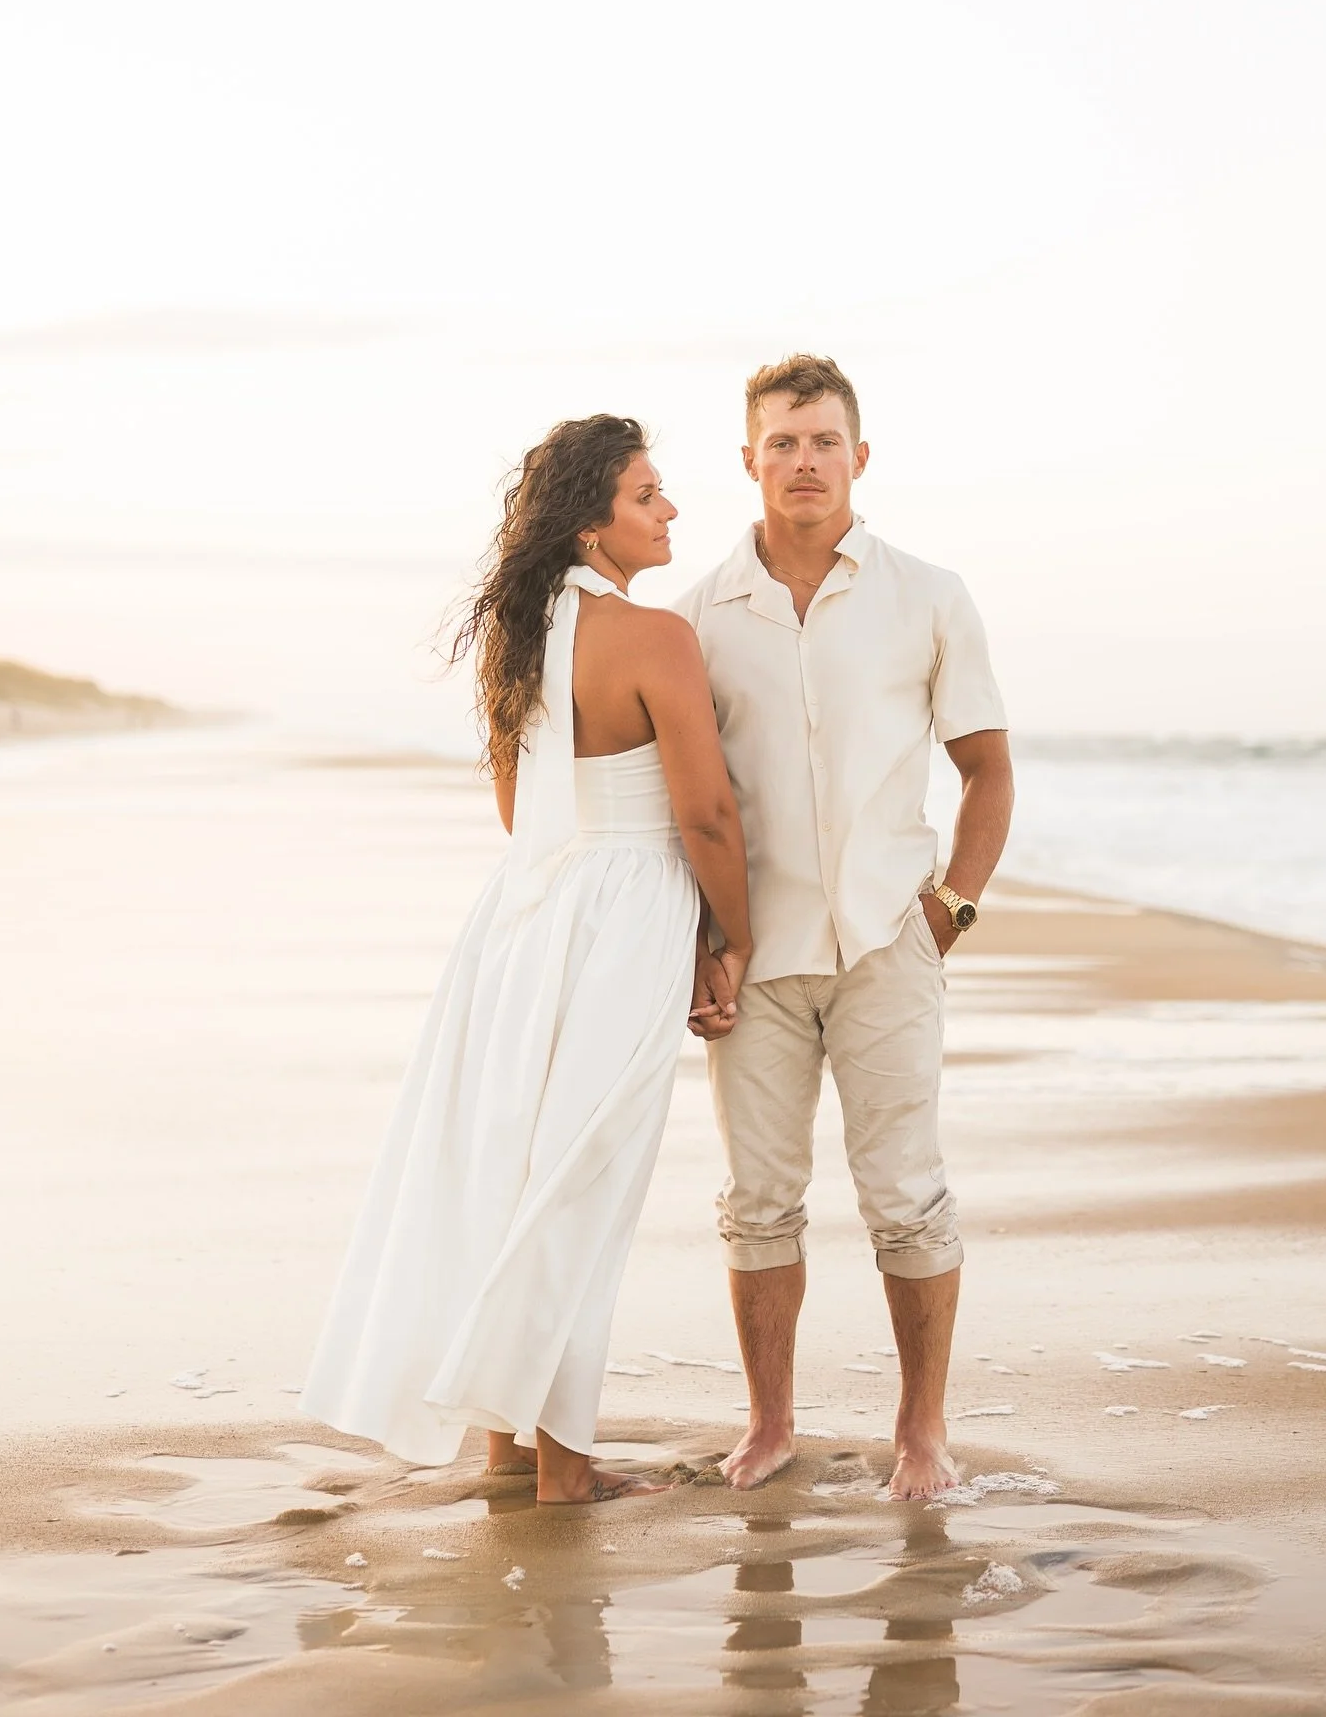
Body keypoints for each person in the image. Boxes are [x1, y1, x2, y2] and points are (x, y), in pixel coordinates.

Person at [301, 415, 752, 1505]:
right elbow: (706, 815)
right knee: (582, 1184)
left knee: (514, 1167)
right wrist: (729, 936)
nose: (672, 510)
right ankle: (565, 1473)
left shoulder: (521, 636)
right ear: (592, 522)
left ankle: (505, 1446)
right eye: (650, 495)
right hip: (628, 909)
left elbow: (518, 807)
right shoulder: (657, 641)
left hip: (523, 915)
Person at [677, 354, 1013, 1501]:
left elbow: (986, 768)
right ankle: (770, 1424)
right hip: (754, 959)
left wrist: (951, 904)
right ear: (749, 461)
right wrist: (700, 944)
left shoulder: (929, 594)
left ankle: (922, 1433)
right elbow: (689, 805)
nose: (804, 461)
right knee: (757, 1203)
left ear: (859, 456)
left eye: (824, 441)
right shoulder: (698, 617)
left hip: (887, 947)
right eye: (783, 442)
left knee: (906, 1195)